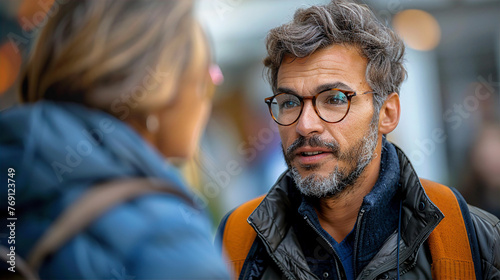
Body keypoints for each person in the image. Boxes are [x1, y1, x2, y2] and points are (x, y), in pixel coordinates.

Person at [217, 1, 500, 279]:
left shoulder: (473, 241)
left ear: (387, 114)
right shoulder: (236, 243)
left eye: (335, 99)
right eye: (289, 102)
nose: (305, 125)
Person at [0, 0, 229, 279]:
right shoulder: (168, 243)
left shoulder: (14, 179)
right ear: (157, 88)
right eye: (208, 74)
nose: (212, 87)